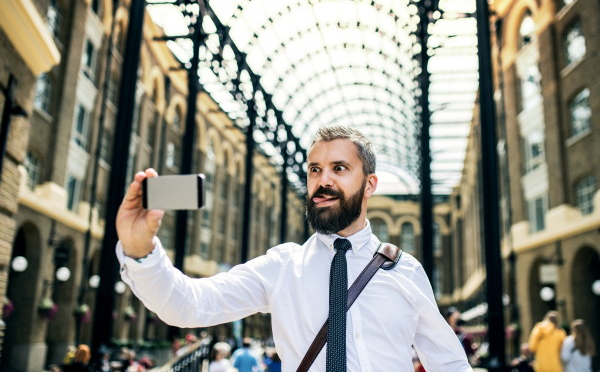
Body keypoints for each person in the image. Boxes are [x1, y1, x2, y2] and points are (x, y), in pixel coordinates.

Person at [115, 125, 473, 371]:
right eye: (314, 169)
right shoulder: (283, 266)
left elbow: (450, 363)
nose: (323, 180)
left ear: (369, 184)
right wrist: (140, 250)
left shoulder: (405, 271)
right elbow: (188, 305)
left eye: (340, 168)